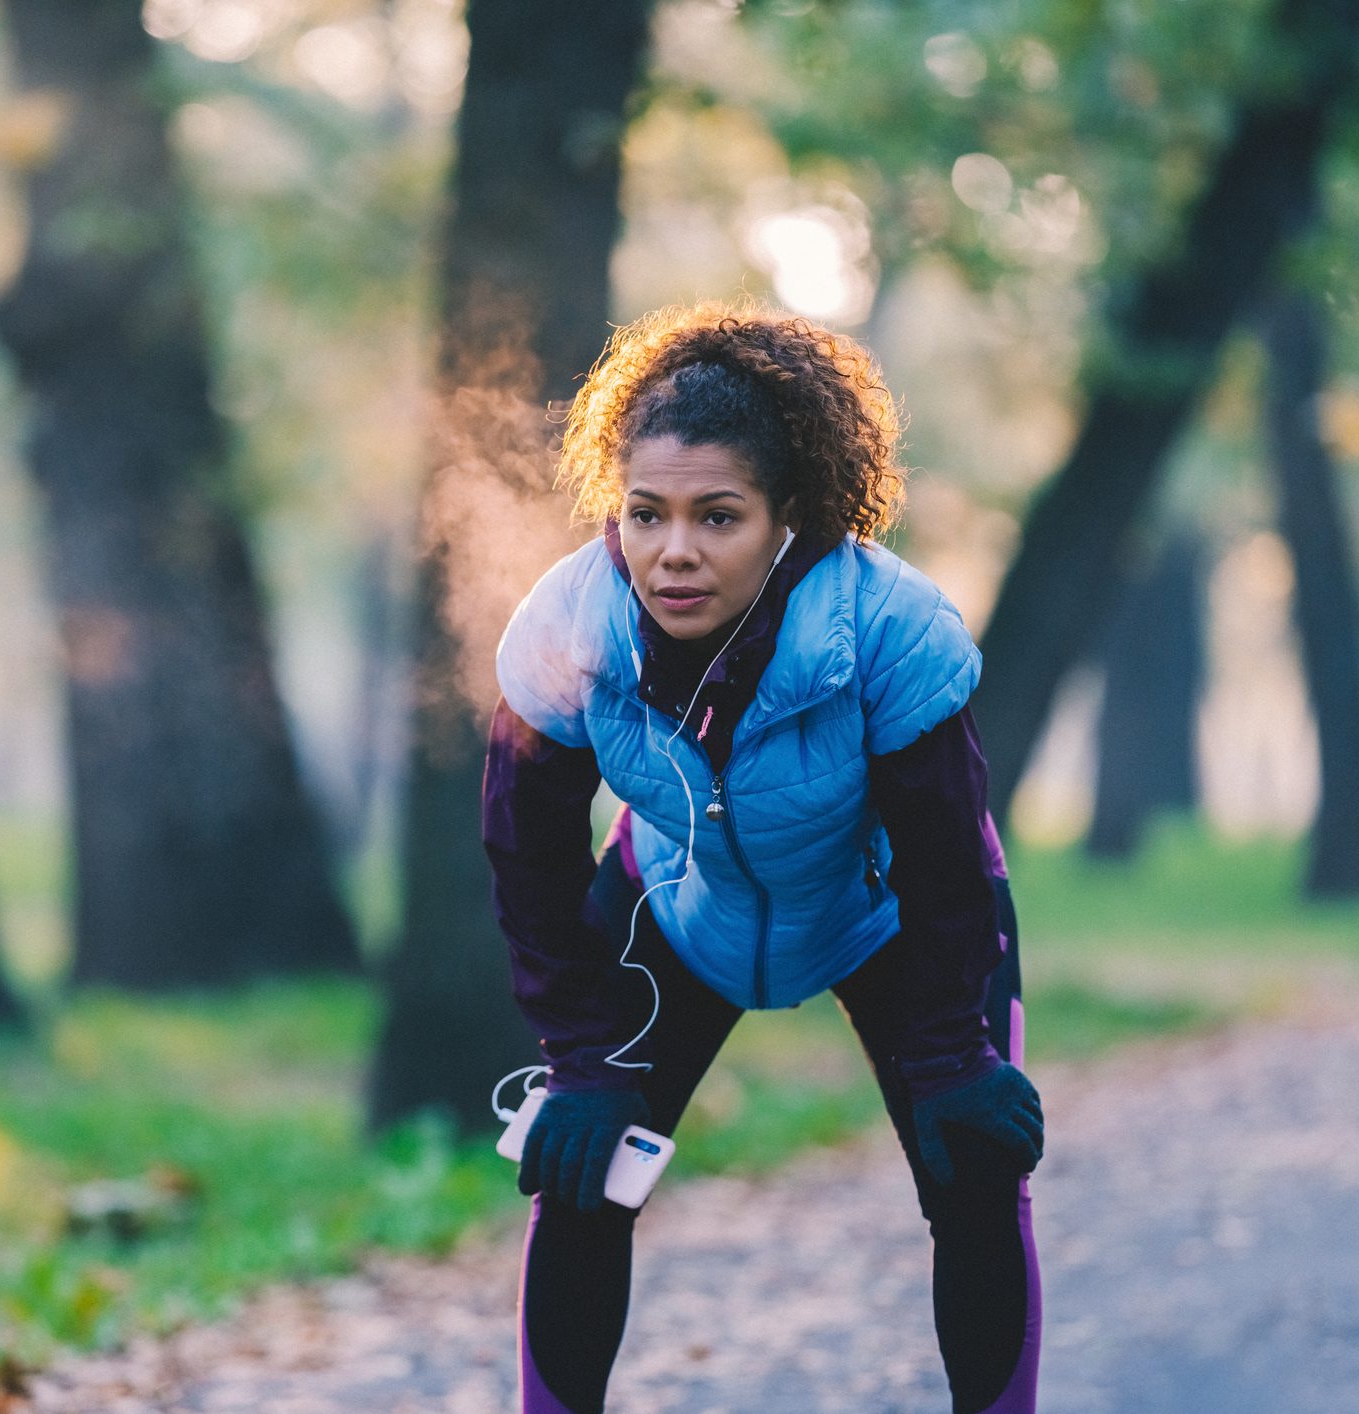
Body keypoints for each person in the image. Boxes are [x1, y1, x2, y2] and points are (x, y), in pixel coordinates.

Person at [483, 303, 1043, 1414]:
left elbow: (943, 856)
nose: (672, 550)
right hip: (677, 911)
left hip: (885, 915)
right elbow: (525, 857)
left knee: (972, 1167)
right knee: (578, 1174)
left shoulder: (888, 627)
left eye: (716, 516)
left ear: (790, 517)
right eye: (644, 514)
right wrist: (581, 1053)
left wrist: (947, 1054)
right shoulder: (567, 629)